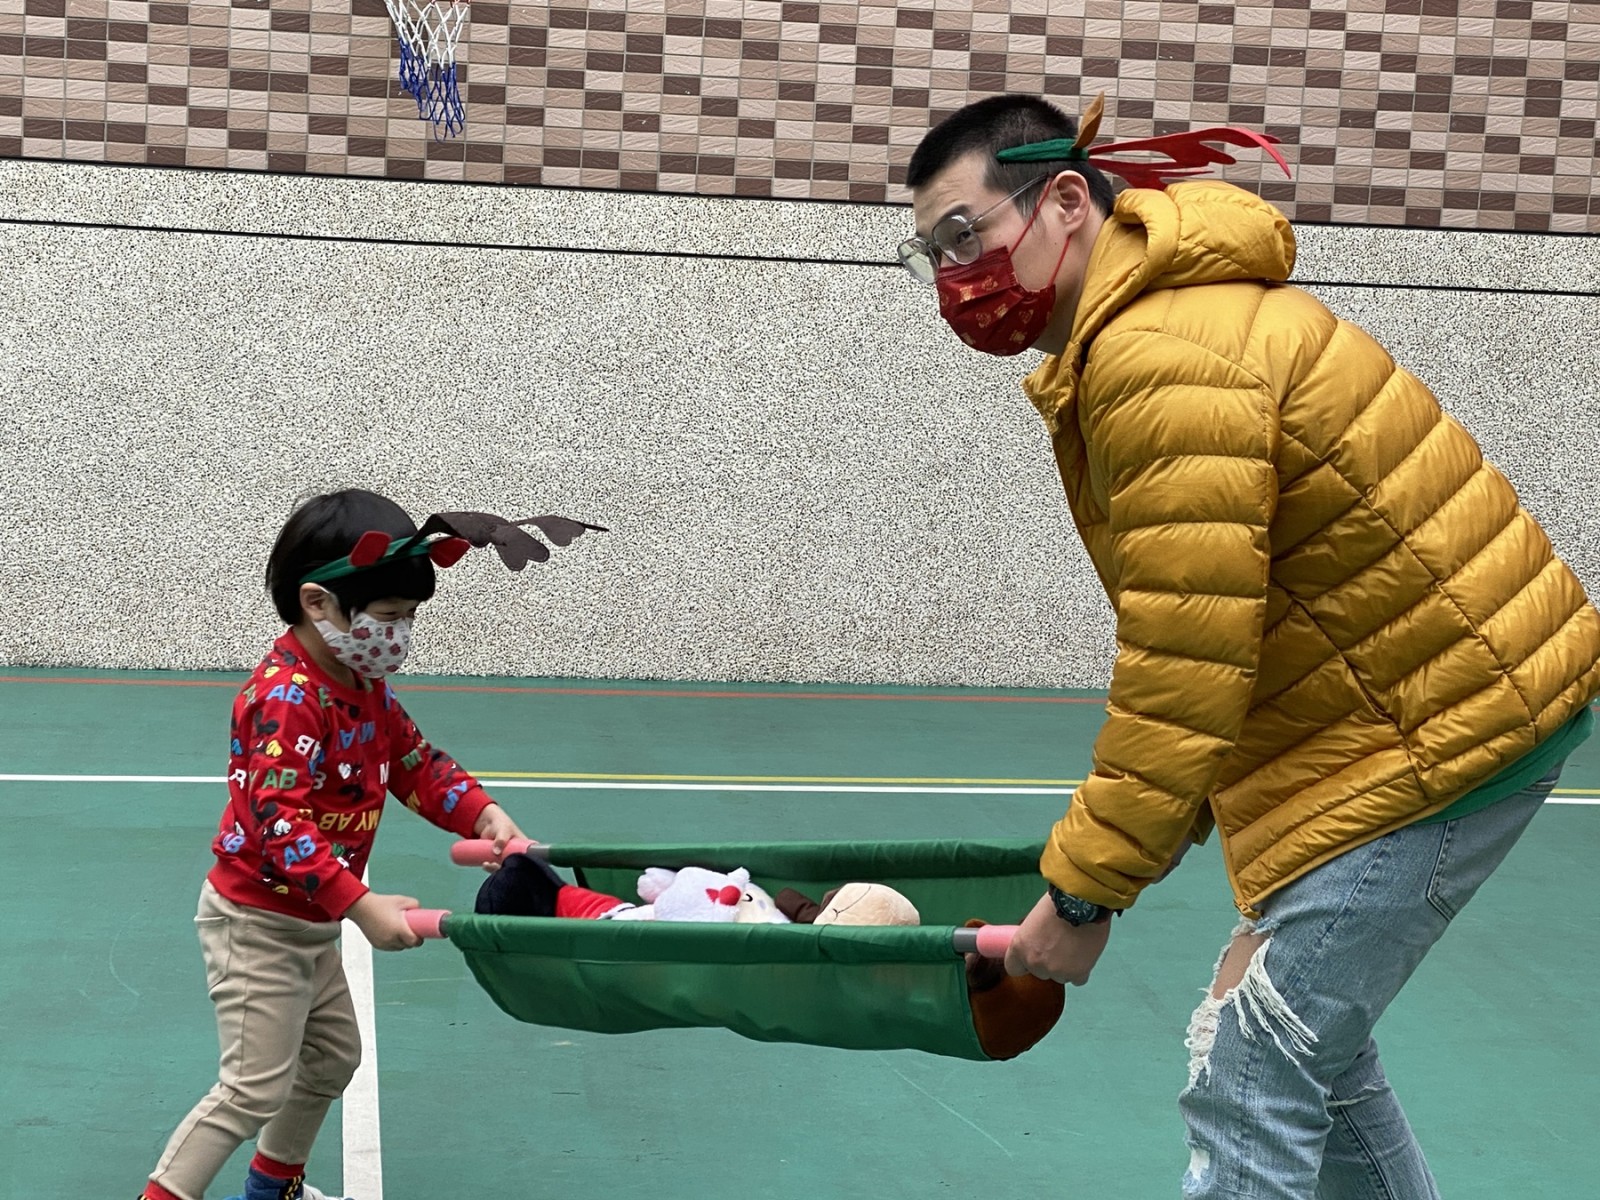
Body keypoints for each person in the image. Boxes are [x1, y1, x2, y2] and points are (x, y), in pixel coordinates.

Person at [900, 94, 1600, 1198]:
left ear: (1067, 201)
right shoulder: (1159, 327)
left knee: (1251, 1062)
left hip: (1429, 735)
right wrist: (1098, 878)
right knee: (1310, 1051)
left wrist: (1084, 898)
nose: (955, 277)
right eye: (931, 254)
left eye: (963, 235)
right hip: (1422, 712)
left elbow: (1182, 665)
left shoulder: (1159, 358)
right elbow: (1209, 648)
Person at [138, 490, 603, 1200]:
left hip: (309, 923)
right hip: (257, 923)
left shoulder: (362, 683)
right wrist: (360, 905)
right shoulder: (287, 697)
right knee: (252, 1088)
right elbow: (277, 821)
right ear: (318, 603)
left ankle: (272, 1190)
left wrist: (482, 815)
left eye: (409, 617)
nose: (400, 634)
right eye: (388, 617)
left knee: (330, 1058)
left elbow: (414, 763)